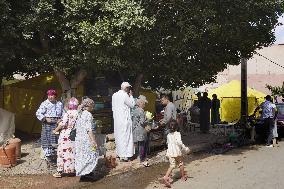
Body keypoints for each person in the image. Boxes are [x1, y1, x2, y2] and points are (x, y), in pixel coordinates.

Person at [36, 89, 63, 167]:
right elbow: (38, 113)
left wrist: (60, 119)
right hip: (47, 124)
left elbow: (63, 113)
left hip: (57, 125)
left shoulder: (59, 104)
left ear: (55, 96)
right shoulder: (44, 103)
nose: (50, 97)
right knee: (47, 141)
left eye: (52, 95)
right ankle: (49, 159)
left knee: (56, 140)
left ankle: (56, 158)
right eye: (49, 95)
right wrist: (45, 118)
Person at [52, 97, 79, 178]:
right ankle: (72, 170)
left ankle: (59, 172)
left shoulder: (68, 113)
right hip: (74, 135)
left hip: (65, 135)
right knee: (72, 153)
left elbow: (62, 124)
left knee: (62, 152)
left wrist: (55, 130)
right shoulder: (78, 113)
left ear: (69, 105)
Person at [75, 98, 99, 181]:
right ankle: (88, 173)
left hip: (79, 139)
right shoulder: (88, 114)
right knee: (91, 154)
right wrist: (93, 140)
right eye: (92, 106)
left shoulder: (80, 113)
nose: (93, 107)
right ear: (89, 106)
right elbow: (89, 129)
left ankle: (83, 174)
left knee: (82, 156)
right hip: (86, 139)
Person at [159, 120, 189, 187]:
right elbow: (179, 143)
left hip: (170, 152)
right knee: (180, 163)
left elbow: (168, 143)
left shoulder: (168, 135)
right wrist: (185, 148)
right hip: (177, 152)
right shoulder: (178, 134)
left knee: (172, 165)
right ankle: (183, 177)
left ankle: (166, 177)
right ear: (177, 127)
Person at [112, 82, 135, 162]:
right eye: (128, 88)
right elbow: (132, 104)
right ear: (126, 88)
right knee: (126, 137)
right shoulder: (125, 95)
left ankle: (119, 153)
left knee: (119, 137)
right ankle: (125, 155)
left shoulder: (114, 95)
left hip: (117, 120)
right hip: (124, 119)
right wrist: (131, 95)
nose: (129, 90)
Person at [132, 95, 150, 166]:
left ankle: (141, 157)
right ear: (141, 103)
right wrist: (148, 118)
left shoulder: (135, 110)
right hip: (140, 130)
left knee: (139, 145)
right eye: (144, 103)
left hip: (136, 130)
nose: (145, 105)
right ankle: (142, 159)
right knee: (142, 145)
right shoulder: (141, 111)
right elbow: (143, 122)